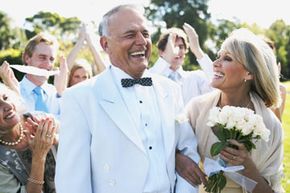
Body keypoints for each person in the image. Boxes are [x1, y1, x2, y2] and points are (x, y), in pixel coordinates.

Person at [56, 4, 202, 193]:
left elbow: (187, 152)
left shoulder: (170, 90)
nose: (142, 41)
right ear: (105, 44)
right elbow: (72, 182)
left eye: (145, 34)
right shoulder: (80, 98)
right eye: (130, 35)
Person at [176, 28, 284, 193]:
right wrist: (177, 159)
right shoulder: (196, 108)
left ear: (249, 73)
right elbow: (166, 148)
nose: (215, 63)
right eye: (218, 56)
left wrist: (247, 166)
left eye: (227, 58)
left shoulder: (270, 126)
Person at [0, 83, 58, 193]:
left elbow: (77, 143)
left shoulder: (38, 118)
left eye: (5, 98)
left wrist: (54, 139)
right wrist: (38, 156)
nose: (8, 105)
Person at [149, 25, 213, 104]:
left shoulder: (196, 78)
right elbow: (145, 86)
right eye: (173, 46)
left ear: (186, 50)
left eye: (181, 47)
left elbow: (218, 83)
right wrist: (166, 58)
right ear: (161, 52)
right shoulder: (154, 77)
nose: (177, 50)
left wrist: (197, 50)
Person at [19, 33, 65, 117]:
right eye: (42, 57)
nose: (48, 64)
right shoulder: (12, 93)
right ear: (27, 58)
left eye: (51, 59)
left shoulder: (58, 94)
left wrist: (60, 93)